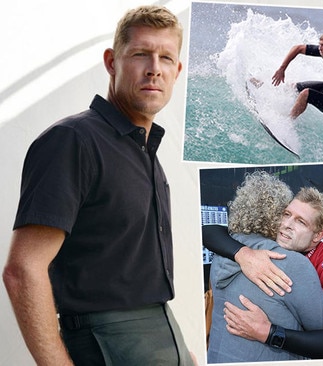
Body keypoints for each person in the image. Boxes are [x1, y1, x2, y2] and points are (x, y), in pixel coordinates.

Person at [2, 6, 194, 365]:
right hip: (107, 345)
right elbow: (22, 270)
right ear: (111, 62)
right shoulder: (73, 141)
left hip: (166, 336)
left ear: (177, 70)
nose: (155, 67)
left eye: (166, 57)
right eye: (141, 54)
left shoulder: (144, 151)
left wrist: (185, 355)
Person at [202, 186, 323, 359]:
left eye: (301, 222)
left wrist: (270, 333)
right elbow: (209, 231)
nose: (287, 225)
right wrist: (243, 254)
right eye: (287, 214)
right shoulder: (278, 239)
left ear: (318, 236)